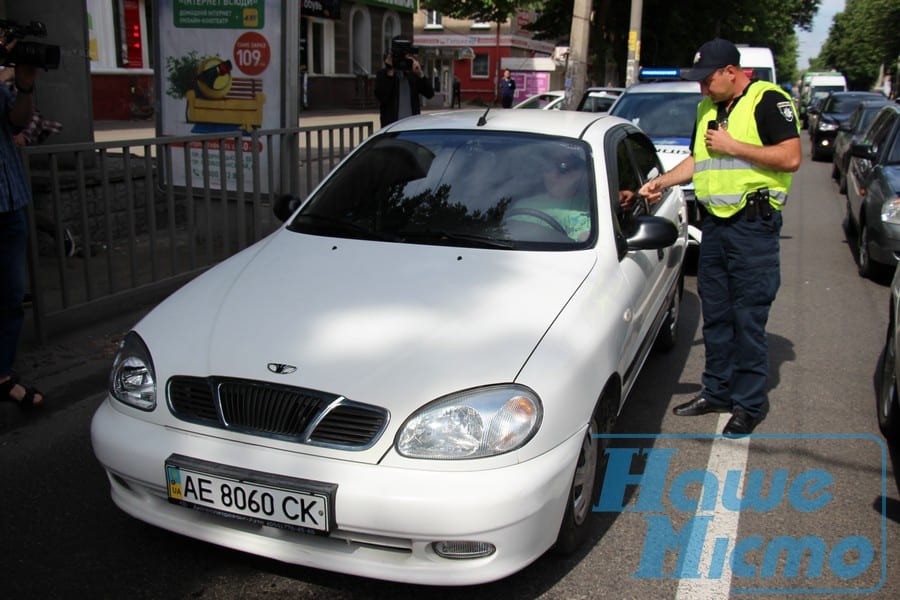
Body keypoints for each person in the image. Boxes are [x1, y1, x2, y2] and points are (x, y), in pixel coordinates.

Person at [638, 38, 801, 435]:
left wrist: (735, 146)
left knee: (747, 320)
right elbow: (700, 159)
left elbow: (791, 157)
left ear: (732, 72)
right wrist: (662, 182)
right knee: (717, 317)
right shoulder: (707, 107)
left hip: (753, 228)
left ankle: (747, 405)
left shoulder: (768, 100)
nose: (703, 89)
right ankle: (716, 391)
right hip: (715, 226)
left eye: (708, 81)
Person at [0, 51, 45, 410]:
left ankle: (3, 374)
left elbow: (17, 122)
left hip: (10, 202)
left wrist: (25, 85)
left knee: (12, 296)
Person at [509, 145, 591, 241]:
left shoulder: (590, 208)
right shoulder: (522, 205)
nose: (553, 174)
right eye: (547, 168)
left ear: (579, 172)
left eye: (563, 168)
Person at [374, 44, 435, 129]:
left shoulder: (413, 75)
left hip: (412, 127)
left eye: (406, 57)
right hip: (391, 128)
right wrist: (389, 73)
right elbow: (382, 97)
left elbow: (430, 94)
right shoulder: (383, 74)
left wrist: (420, 74)